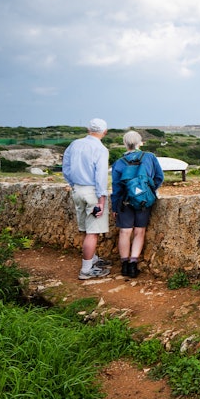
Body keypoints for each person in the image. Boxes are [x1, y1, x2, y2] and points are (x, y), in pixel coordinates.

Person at [62, 118, 112, 280]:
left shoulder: (74, 144)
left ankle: (92, 259)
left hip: (77, 189)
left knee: (85, 228)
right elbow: (100, 175)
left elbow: (66, 168)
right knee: (93, 232)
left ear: (88, 129)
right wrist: (101, 200)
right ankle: (86, 270)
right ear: (105, 132)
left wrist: (73, 184)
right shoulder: (101, 149)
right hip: (92, 192)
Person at [111, 130, 164, 278]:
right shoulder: (150, 157)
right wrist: (148, 192)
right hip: (144, 200)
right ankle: (134, 265)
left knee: (125, 232)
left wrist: (115, 206)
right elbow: (159, 177)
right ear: (140, 142)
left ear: (125, 143)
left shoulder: (119, 163)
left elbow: (116, 187)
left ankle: (124, 265)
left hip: (125, 200)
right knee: (139, 231)